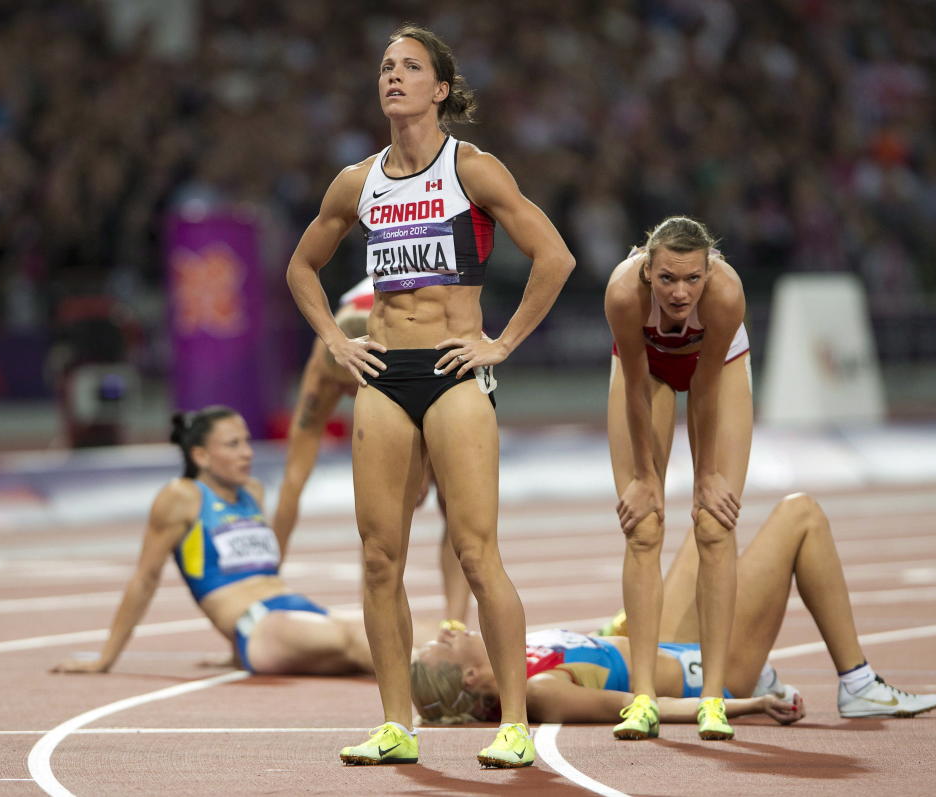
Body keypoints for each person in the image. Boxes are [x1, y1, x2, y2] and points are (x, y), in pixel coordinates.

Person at [285, 24, 575, 768]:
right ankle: (394, 723)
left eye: (410, 67)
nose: (393, 76)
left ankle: (513, 723)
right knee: (380, 558)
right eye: (385, 66)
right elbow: (301, 267)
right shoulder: (358, 180)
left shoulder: (470, 169)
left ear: (440, 89)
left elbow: (555, 255)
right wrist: (336, 339)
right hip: (383, 377)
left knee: (477, 554)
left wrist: (501, 341)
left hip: (453, 374)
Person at [411, 493, 936, 729]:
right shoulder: (539, 692)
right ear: (475, 676)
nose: (452, 629)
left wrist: (617, 626)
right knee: (800, 513)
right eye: (447, 642)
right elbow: (644, 709)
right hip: (717, 671)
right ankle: (858, 683)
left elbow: (596, 649)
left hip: (668, 642)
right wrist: (750, 703)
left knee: (710, 519)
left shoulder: (514, 656)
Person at [52, 406, 373, 678]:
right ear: (201, 455)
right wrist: (105, 658)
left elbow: (261, 572)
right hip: (260, 625)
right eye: (233, 444)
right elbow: (145, 579)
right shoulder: (181, 496)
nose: (247, 452)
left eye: (246, 441)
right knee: (360, 638)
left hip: (297, 608)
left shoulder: (252, 491)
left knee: (392, 629)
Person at [604, 216, 750, 740]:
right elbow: (636, 386)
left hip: (718, 369)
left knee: (714, 521)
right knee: (642, 524)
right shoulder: (623, 294)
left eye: (692, 279)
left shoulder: (726, 295)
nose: (680, 292)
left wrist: (706, 473)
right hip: (649, 371)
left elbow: (707, 386)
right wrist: (645, 476)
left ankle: (713, 699)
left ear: (709, 271)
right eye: (667, 279)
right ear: (647, 269)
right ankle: (643, 698)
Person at [273, 275, 471, 628]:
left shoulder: (418, 343)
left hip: (430, 347)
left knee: (453, 499)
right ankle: (379, 617)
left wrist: (424, 467)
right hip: (373, 327)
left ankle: (454, 623)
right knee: (378, 509)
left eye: (360, 388)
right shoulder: (324, 370)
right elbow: (293, 476)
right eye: (345, 389)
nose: (351, 399)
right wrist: (268, 583)